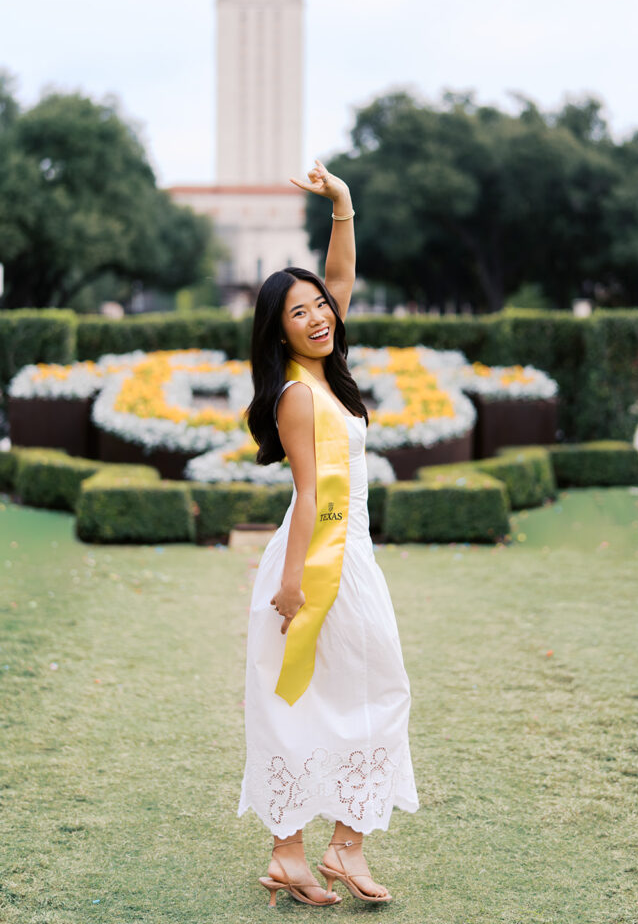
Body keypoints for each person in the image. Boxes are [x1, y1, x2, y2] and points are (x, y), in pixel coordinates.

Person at [237, 160, 418, 907]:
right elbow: (309, 494)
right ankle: (292, 851)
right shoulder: (293, 394)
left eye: (320, 306)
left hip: (353, 556)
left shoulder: (326, 363)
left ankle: (337, 847)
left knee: (371, 690)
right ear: (277, 331)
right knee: (306, 697)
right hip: (314, 564)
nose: (317, 316)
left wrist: (342, 202)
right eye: (298, 312)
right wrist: (289, 587)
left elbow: (339, 278)